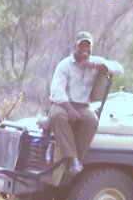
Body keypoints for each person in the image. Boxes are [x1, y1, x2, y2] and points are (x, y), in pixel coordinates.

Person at [49, 31, 123, 176]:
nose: (84, 49)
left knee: (92, 120)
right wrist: (69, 109)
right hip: (63, 104)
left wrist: (94, 65)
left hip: (83, 106)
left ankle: (78, 160)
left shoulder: (95, 61)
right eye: (81, 46)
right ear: (74, 47)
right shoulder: (64, 65)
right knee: (57, 116)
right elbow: (56, 90)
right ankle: (70, 159)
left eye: (87, 46)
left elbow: (119, 69)